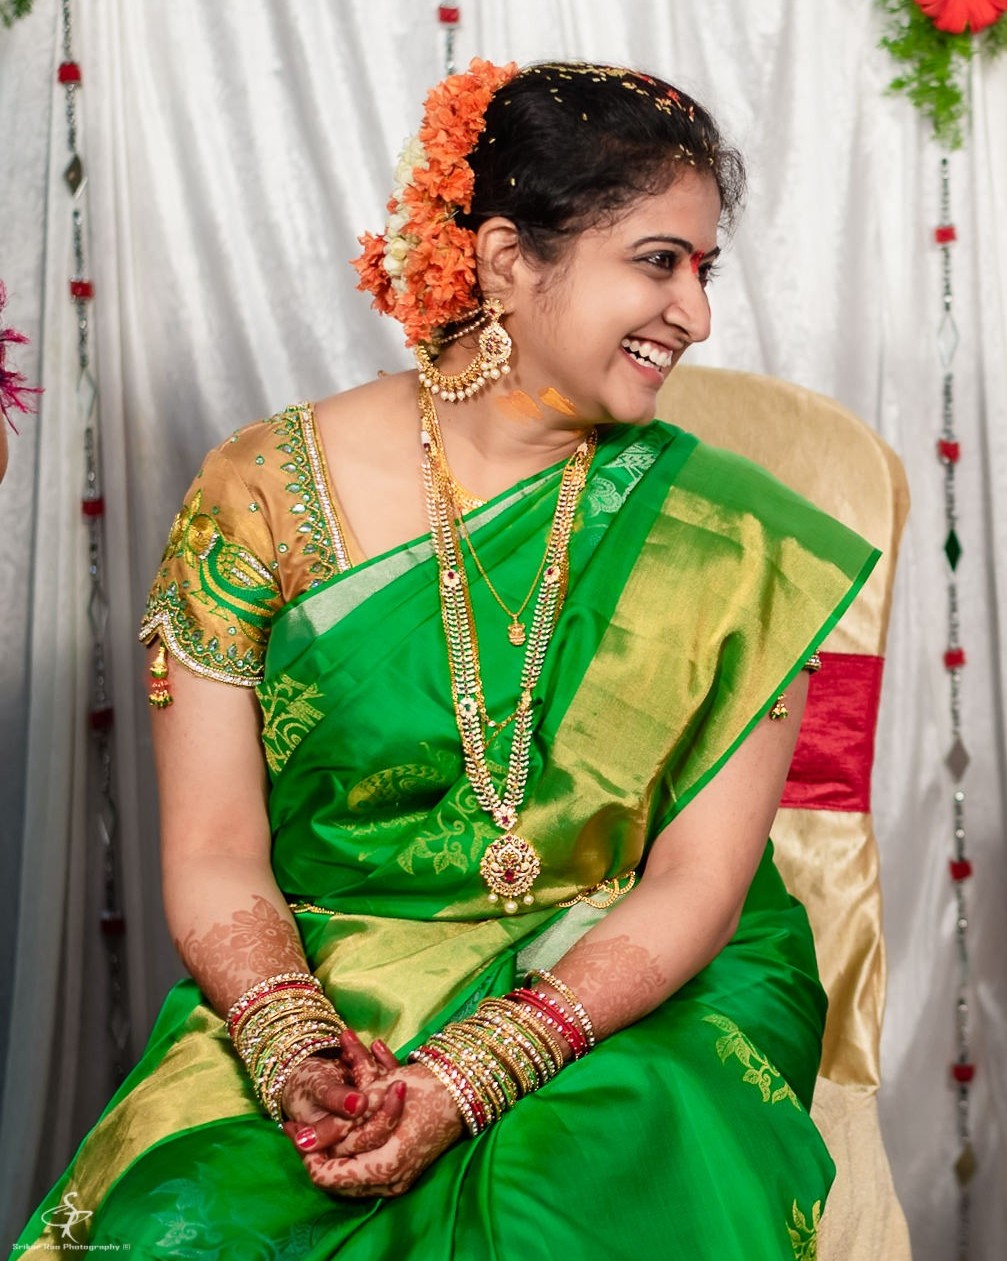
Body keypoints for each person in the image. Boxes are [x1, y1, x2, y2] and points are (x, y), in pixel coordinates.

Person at [18, 60, 874, 1259]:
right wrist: (294, 1041)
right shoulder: (264, 497)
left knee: (551, 1210)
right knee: (184, 1225)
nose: (699, 313)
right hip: (335, 972)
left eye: (703, 266)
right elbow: (215, 851)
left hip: (627, 986)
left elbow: (698, 883)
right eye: (657, 261)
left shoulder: (733, 537)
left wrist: (483, 1065)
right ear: (507, 257)